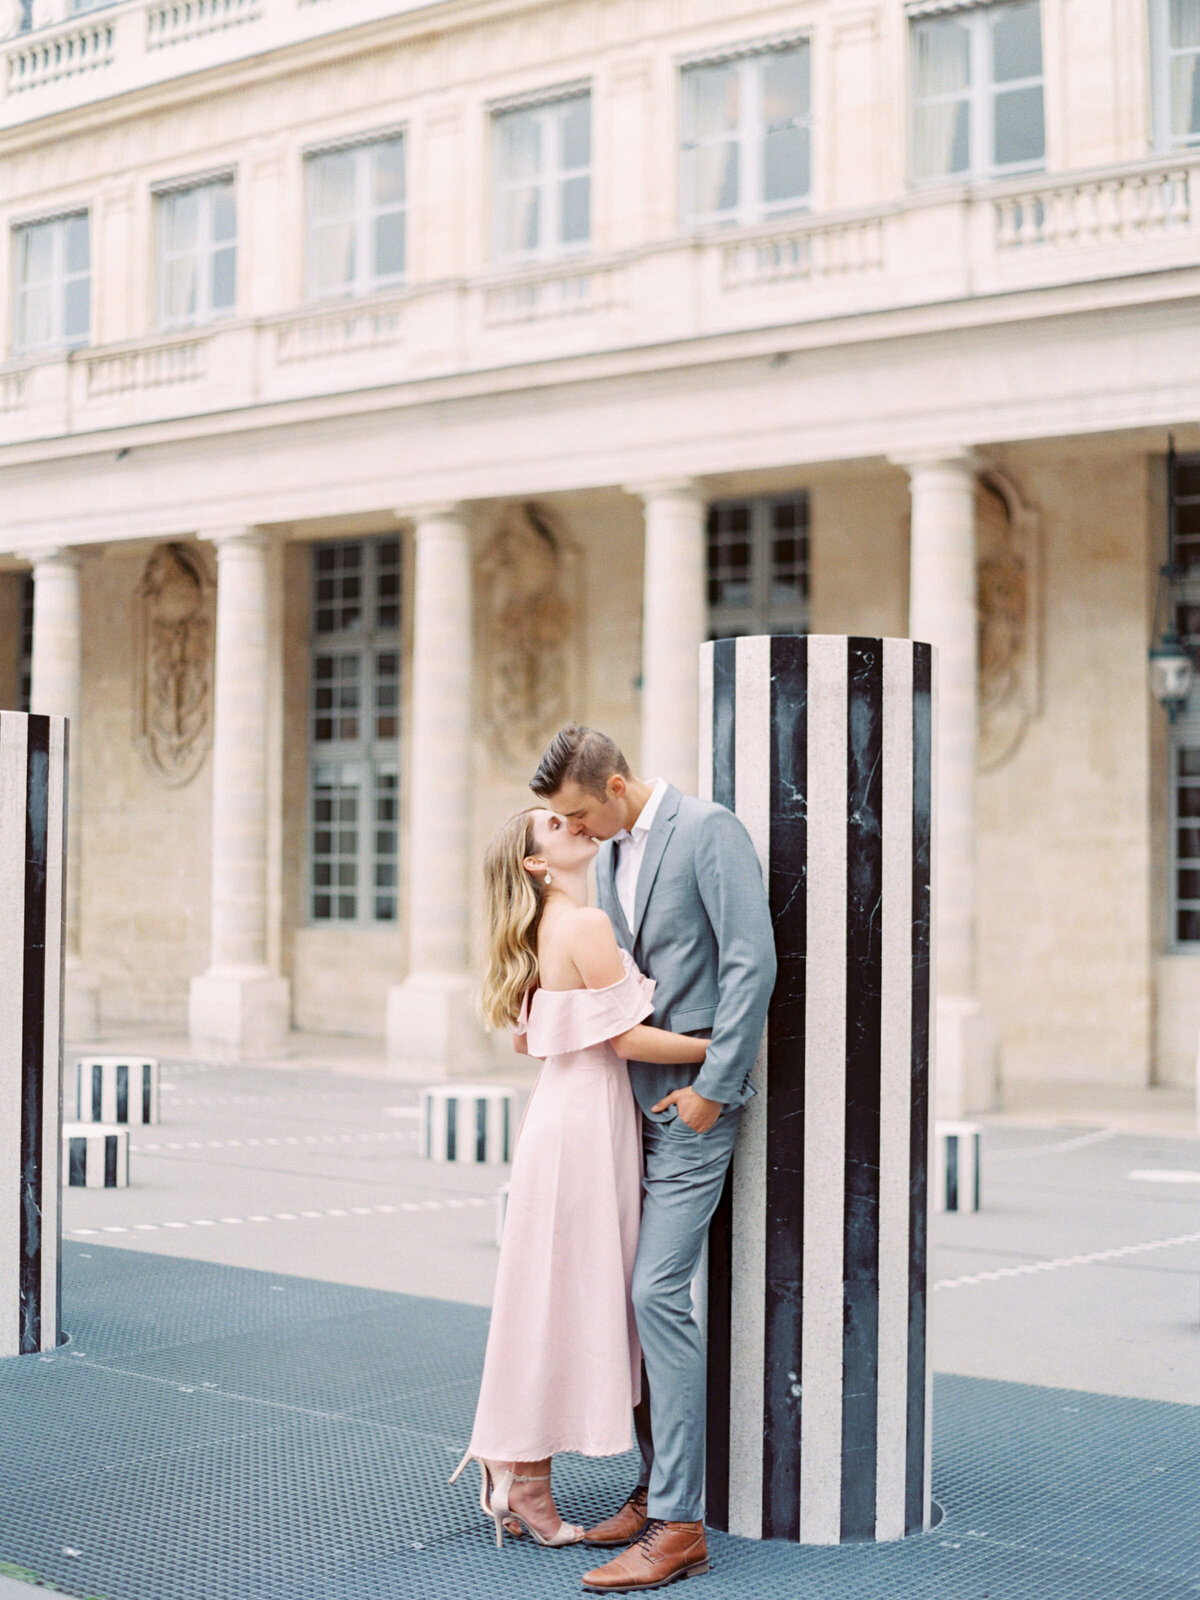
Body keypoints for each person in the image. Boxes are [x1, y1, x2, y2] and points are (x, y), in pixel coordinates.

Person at [529, 725, 775, 1595]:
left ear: (617, 784)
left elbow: (752, 963)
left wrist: (716, 1082)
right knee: (623, 1297)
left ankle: (679, 1526)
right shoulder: (616, 854)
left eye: (577, 812)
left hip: (692, 1110)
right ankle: (649, 1486)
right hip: (628, 1109)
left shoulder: (709, 832)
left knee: (654, 1292)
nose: (574, 829)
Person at [450, 805, 713, 1567]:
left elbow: (550, 1037)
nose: (572, 824)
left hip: (562, 1119)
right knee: (565, 1298)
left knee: (545, 1297)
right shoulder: (584, 924)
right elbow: (627, 1038)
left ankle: (520, 1470)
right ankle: (523, 1476)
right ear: (538, 863)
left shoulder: (541, 928)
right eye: (554, 826)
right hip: (587, 1126)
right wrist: (721, 1047)